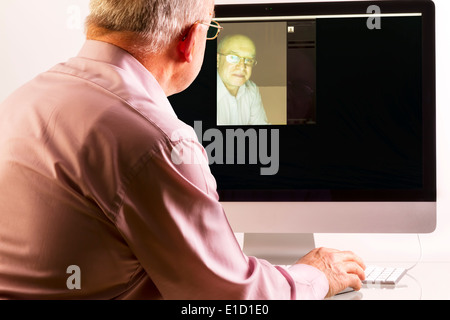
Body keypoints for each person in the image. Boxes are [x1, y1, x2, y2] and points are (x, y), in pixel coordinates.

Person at [0, 0, 365, 300]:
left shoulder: (20, 101)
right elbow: (229, 299)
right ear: (190, 40)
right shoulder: (158, 139)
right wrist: (316, 275)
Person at [217, 34, 269, 125]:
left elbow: (264, 131)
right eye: (233, 57)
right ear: (217, 60)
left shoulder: (252, 89)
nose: (242, 67)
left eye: (248, 60)